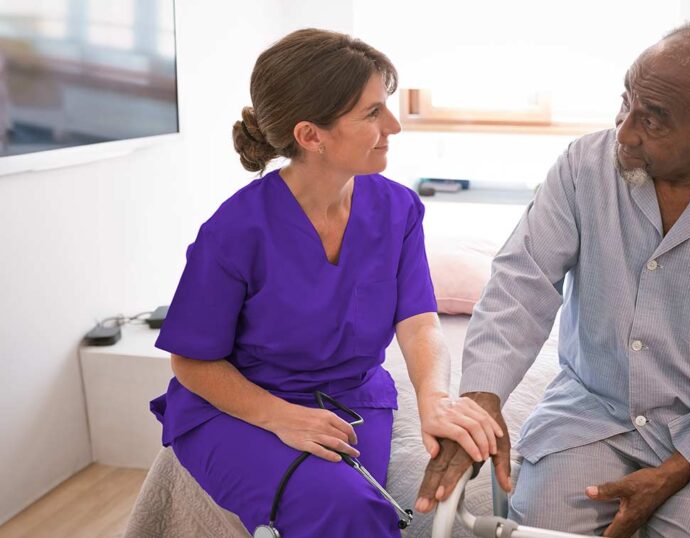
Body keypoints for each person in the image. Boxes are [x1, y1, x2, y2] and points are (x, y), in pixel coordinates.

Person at [416, 22, 690, 538]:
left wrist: (676, 471)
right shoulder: (585, 165)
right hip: (592, 410)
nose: (625, 132)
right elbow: (524, 281)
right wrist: (482, 397)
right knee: (539, 525)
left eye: (652, 120)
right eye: (625, 104)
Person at [150, 29, 501, 537]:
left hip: (353, 401)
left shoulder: (397, 208)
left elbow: (420, 323)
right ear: (311, 135)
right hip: (243, 407)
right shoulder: (235, 231)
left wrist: (433, 398)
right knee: (350, 510)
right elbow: (191, 360)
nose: (394, 126)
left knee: (353, 507)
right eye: (372, 113)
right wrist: (279, 418)